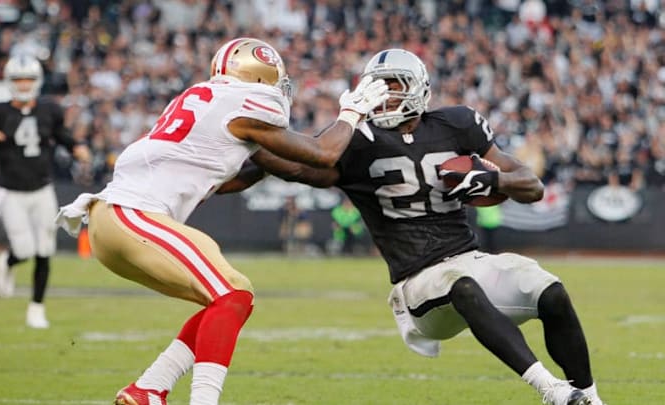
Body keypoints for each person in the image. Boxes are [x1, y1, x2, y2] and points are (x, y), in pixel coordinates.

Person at [233, 49, 606, 405]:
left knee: (550, 290)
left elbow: (531, 185)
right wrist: (249, 138)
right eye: (378, 86)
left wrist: (493, 182)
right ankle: (551, 389)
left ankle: (589, 397)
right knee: (461, 286)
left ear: (417, 87)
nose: (385, 96)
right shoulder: (359, 142)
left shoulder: (457, 124)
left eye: (393, 85)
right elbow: (300, 166)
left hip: (468, 257)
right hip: (416, 283)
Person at [55, 37, 388, 405]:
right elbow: (322, 154)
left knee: (230, 299)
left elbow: (250, 175)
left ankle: (149, 388)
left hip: (112, 224)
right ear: (259, 76)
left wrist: (298, 156)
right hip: (132, 216)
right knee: (233, 293)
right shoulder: (244, 107)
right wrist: (351, 115)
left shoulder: (212, 101)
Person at [0, 54, 91, 329]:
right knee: (23, 250)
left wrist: (76, 147)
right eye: (18, 80)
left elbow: (61, 135)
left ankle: (36, 307)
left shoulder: (49, 110)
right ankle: (9, 261)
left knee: (45, 248)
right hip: (11, 190)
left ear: (38, 81)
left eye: (28, 79)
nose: (24, 85)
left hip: (41, 187)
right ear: (10, 81)